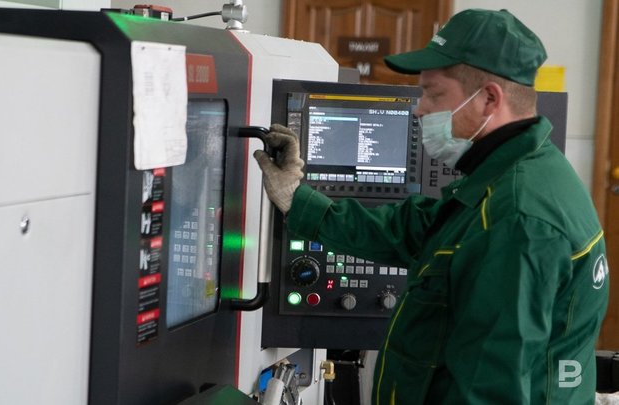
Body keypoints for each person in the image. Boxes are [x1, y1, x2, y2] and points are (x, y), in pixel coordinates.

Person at [254, 8, 609, 405]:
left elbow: (490, 391)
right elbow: (415, 229)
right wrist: (297, 199)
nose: (420, 108)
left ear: (489, 99)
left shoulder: (518, 219)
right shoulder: (512, 176)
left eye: (434, 94)